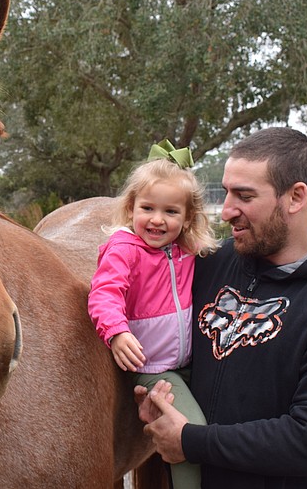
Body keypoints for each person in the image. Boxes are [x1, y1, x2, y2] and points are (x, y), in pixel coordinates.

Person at [135, 127, 307, 489]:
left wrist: (190, 441)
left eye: (244, 196)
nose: (226, 211)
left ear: (295, 197)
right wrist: (161, 397)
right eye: (225, 192)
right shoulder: (212, 263)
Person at [88, 139, 218, 489]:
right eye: (148, 208)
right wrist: (117, 332)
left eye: (171, 212)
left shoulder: (186, 252)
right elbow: (104, 293)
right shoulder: (124, 249)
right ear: (131, 208)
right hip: (153, 368)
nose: (157, 220)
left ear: (188, 217)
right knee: (192, 435)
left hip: (187, 362)